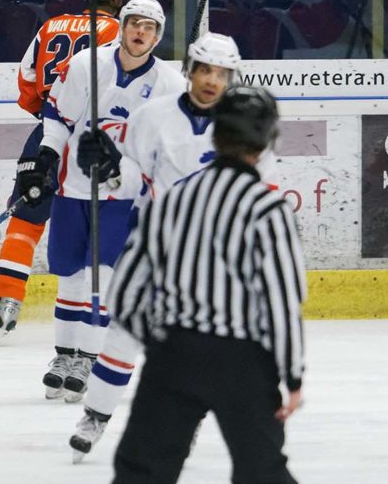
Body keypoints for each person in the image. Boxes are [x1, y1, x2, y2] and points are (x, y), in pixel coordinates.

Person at [108, 85, 306, 484]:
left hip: (174, 355)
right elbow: (283, 300)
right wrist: (293, 375)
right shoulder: (268, 208)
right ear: (266, 140)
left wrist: (165, 344)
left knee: (140, 474)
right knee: (263, 474)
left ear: (215, 134)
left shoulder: (173, 200)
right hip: (244, 363)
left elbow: (124, 290)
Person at [67, 31, 242, 460]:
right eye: (204, 69)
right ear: (190, 71)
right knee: (123, 335)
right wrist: (105, 167)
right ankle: (96, 416)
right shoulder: (155, 116)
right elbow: (130, 177)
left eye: (221, 73)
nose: (212, 80)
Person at [17, 0, 186, 401]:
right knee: (72, 274)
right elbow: (58, 118)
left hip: (124, 195)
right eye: (135, 23)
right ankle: (64, 355)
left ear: (158, 36)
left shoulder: (170, 84)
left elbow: (169, 150)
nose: (140, 32)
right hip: (74, 185)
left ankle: (89, 356)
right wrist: (46, 157)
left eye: (149, 27)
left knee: (103, 274)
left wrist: (126, 172)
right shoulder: (86, 64)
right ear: (122, 26)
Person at [0, 0, 130, 344]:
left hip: (47, 133)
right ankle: (98, 310)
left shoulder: (50, 27)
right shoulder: (119, 31)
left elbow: (26, 81)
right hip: (96, 141)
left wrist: (48, 114)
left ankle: (7, 303)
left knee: (26, 218)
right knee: (99, 223)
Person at [210, 0, 355, 59]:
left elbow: (316, 28)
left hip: (267, 87)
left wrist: (337, 4)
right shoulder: (215, 13)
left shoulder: (273, 16)